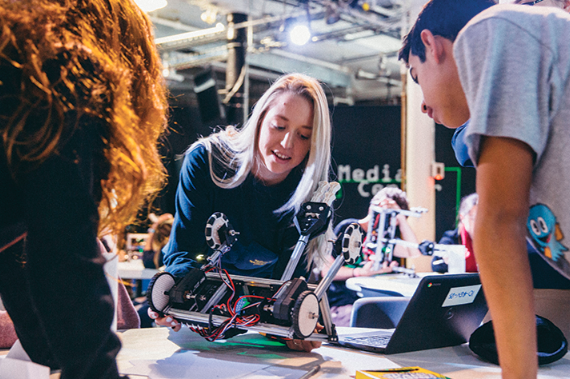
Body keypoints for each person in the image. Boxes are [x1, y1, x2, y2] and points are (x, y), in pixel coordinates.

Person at [399, 0, 570, 377]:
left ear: (432, 44)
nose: (424, 107)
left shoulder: (495, 27)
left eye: (416, 74)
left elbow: (499, 222)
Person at [0, 0, 168, 377]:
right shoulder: (65, 70)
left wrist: (70, 354)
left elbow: (25, 263)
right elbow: (64, 252)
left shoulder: (16, 70)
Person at [150, 73, 334, 352]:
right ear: (260, 120)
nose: (287, 144)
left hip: (256, 336)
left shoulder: (310, 196)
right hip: (192, 329)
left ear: (314, 143)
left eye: (303, 135)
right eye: (279, 126)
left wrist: (295, 326)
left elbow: (291, 280)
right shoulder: (207, 161)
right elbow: (183, 250)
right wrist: (171, 292)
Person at [321, 187, 421, 326]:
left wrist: (402, 219)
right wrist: (360, 273)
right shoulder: (349, 228)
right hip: (344, 304)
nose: (391, 223)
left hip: (373, 301)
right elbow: (326, 271)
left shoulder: (384, 238)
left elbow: (413, 252)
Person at [432, 193, 478, 273]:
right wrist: (447, 259)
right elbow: (435, 265)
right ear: (462, 217)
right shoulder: (451, 238)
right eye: (474, 218)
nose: (478, 223)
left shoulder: (490, 240)